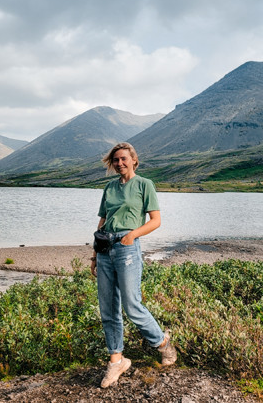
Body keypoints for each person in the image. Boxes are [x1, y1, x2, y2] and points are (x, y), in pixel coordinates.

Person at [91, 142, 177, 388]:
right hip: (105, 248)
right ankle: (116, 360)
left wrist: (132, 235)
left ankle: (162, 344)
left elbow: (156, 221)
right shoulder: (109, 188)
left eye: (123, 159)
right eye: (115, 160)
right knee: (108, 308)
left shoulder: (144, 185)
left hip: (128, 247)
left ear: (133, 160)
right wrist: (94, 255)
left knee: (132, 304)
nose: (119, 163)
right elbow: (102, 221)